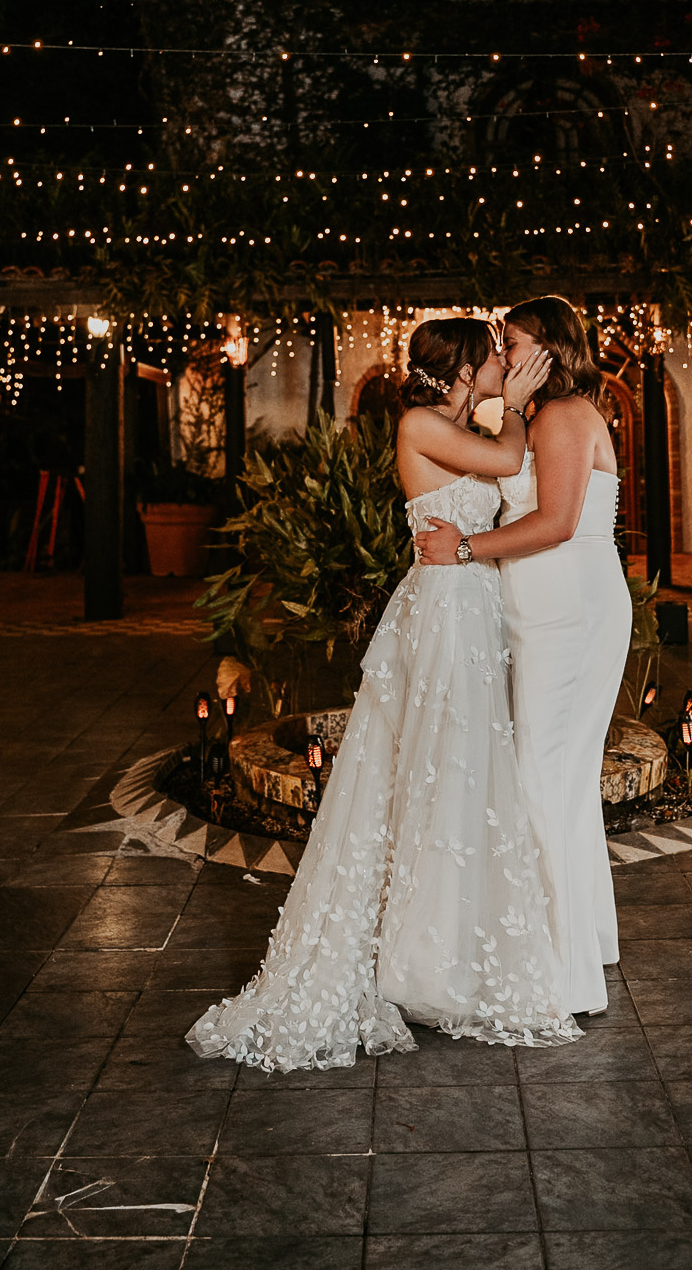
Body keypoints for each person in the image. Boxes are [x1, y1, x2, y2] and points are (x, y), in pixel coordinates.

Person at [186, 316, 581, 1073]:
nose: (506, 362)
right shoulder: (421, 424)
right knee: (441, 772)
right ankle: (423, 954)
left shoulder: (447, 421)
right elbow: (505, 459)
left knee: (453, 776)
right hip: (446, 612)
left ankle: (438, 946)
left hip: (464, 606)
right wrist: (525, 407)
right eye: (495, 355)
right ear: (464, 368)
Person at [416, 295, 630, 1015]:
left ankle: (559, 977)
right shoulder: (535, 419)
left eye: (512, 343)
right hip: (543, 610)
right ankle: (583, 945)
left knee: (544, 783)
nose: (501, 356)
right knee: (559, 784)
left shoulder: (567, 417)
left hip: (569, 608)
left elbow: (559, 521)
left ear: (550, 350)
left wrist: (465, 548)